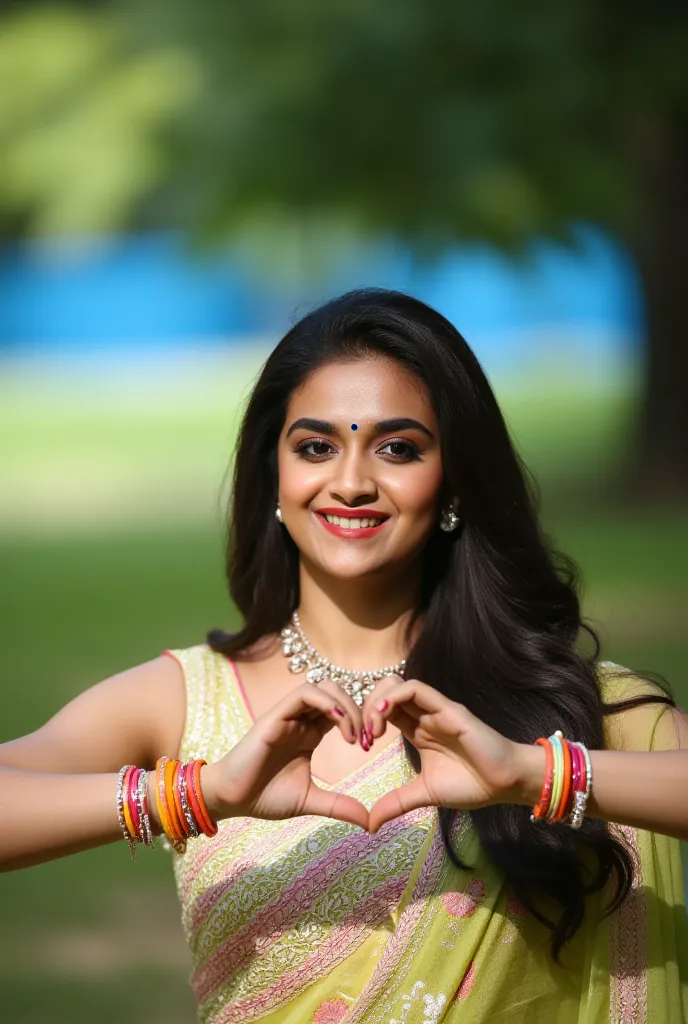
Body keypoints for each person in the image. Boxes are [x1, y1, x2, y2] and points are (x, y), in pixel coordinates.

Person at [1, 288, 687, 1024]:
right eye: (317, 446)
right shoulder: (181, 701)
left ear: (453, 479)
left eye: (398, 448)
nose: (353, 482)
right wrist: (194, 795)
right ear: (274, 474)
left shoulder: (562, 707)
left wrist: (532, 773)